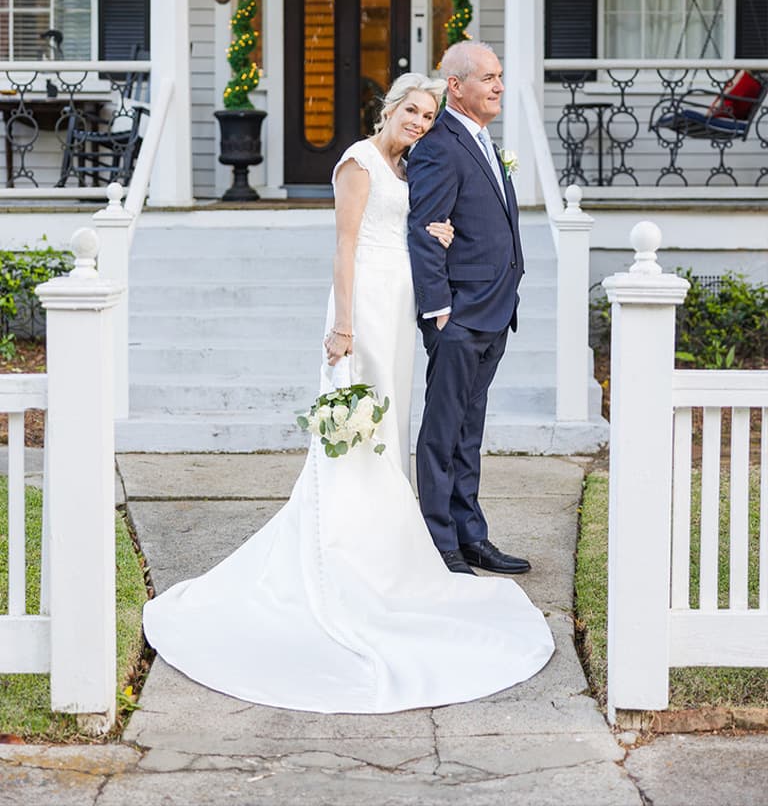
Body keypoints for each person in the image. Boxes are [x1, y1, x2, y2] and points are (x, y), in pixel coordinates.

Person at [142, 72, 554, 714]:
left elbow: (424, 223)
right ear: (388, 110)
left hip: (399, 306)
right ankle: (344, 547)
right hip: (361, 306)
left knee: (389, 425)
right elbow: (345, 242)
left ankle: (385, 543)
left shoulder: (411, 164)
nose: (419, 122)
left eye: (428, 115)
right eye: (411, 111)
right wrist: (341, 323)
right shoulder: (359, 162)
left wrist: (439, 233)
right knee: (357, 424)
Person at [407, 41, 529, 577]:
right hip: (458, 315)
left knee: (469, 431)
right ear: (455, 86)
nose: (498, 86)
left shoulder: (481, 140)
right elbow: (424, 231)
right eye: (487, 77)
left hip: (496, 309)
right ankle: (440, 541)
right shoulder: (440, 145)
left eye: (500, 76)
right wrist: (439, 310)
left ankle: (471, 534)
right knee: (442, 433)